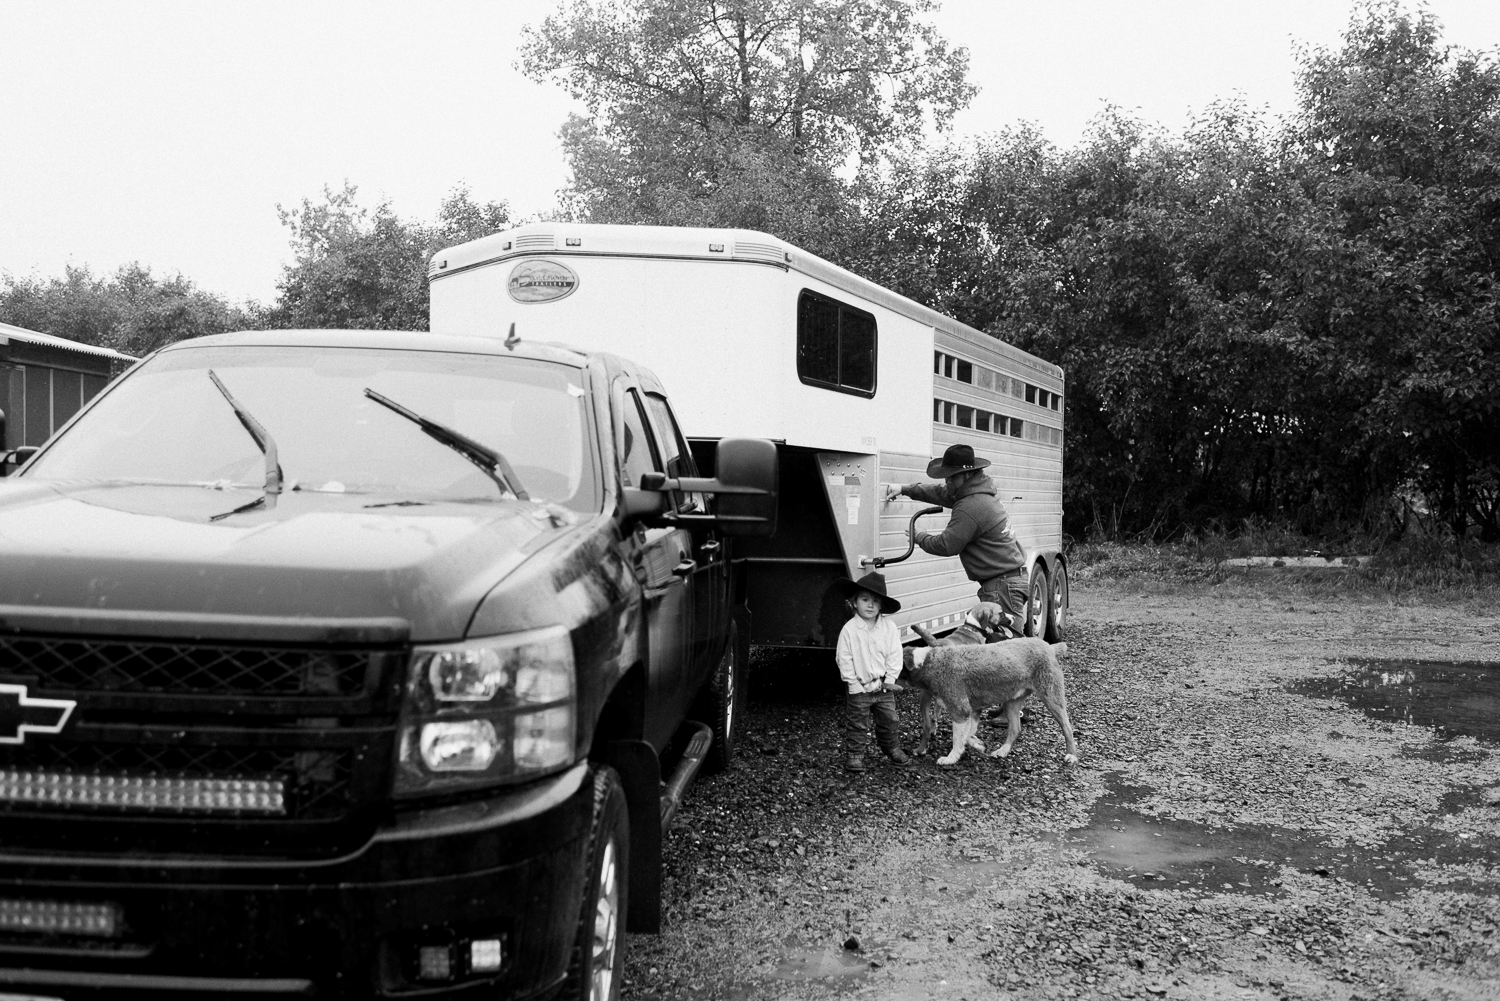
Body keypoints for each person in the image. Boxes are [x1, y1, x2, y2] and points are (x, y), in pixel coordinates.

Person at [887, 443, 1029, 636]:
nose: (947, 481)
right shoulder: (978, 492)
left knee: (1005, 651)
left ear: (967, 475)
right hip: (1007, 582)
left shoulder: (970, 505)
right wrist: (904, 489)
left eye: (951, 476)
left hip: (1001, 586)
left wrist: (920, 537)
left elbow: (947, 545)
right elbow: (940, 493)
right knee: (1004, 650)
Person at [834, 571, 909, 772]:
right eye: (865, 599)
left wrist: (891, 678)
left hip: (883, 686)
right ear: (854, 602)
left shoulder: (889, 628)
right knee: (858, 723)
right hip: (860, 685)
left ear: (882, 606)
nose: (870, 605)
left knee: (890, 720)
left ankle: (892, 748)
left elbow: (895, 654)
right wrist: (853, 683)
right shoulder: (850, 629)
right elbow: (844, 658)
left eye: (875, 601)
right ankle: (855, 755)